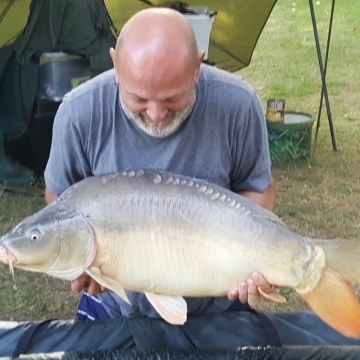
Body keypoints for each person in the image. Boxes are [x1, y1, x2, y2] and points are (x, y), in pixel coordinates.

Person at [44, 7, 360, 348]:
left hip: (219, 301)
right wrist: (83, 260)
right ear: (115, 65)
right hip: (115, 305)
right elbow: (59, 199)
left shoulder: (237, 103)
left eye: (171, 98)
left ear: (197, 66)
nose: (155, 113)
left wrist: (255, 263)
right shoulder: (79, 112)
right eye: (138, 99)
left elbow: (258, 191)